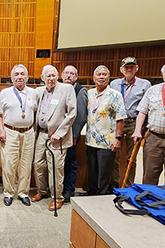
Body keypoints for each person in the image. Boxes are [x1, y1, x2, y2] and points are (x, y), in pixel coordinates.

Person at [31, 65, 76, 211]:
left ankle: (57, 197)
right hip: (41, 134)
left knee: (55, 167)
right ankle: (41, 191)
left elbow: (72, 113)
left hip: (57, 137)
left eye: (53, 75)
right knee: (38, 164)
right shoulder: (38, 91)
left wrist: (60, 133)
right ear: (42, 78)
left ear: (57, 76)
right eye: (48, 76)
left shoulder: (66, 89)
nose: (51, 79)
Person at [0, 64, 38, 206]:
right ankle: (8, 193)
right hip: (10, 132)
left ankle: (23, 192)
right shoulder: (5, 93)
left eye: (22, 74)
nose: (19, 77)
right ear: (12, 78)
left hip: (28, 132)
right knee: (9, 163)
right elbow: (0, 114)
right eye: (16, 74)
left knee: (26, 164)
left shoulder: (33, 93)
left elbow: (35, 112)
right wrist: (0, 129)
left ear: (27, 77)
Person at [109, 57, 151, 188]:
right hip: (117, 123)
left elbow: (146, 107)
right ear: (121, 69)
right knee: (113, 156)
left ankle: (127, 186)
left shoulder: (145, 85)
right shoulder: (114, 84)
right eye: (126, 67)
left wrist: (142, 128)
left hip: (134, 123)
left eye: (132, 67)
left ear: (137, 68)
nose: (129, 69)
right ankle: (115, 184)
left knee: (131, 158)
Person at [84, 65, 126, 195]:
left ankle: (101, 196)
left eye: (104, 74)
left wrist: (118, 139)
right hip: (91, 139)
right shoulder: (89, 93)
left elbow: (120, 118)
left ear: (109, 77)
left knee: (104, 172)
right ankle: (92, 193)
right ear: (93, 78)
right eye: (99, 74)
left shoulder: (115, 95)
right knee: (92, 170)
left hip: (107, 141)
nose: (101, 77)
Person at [61, 65, 87, 202]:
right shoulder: (58, 88)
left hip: (71, 134)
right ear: (62, 75)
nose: (69, 76)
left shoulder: (80, 91)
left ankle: (69, 190)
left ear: (76, 77)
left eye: (72, 74)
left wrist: (75, 135)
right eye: (66, 73)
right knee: (59, 162)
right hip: (57, 133)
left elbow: (81, 116)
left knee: (70, 162)